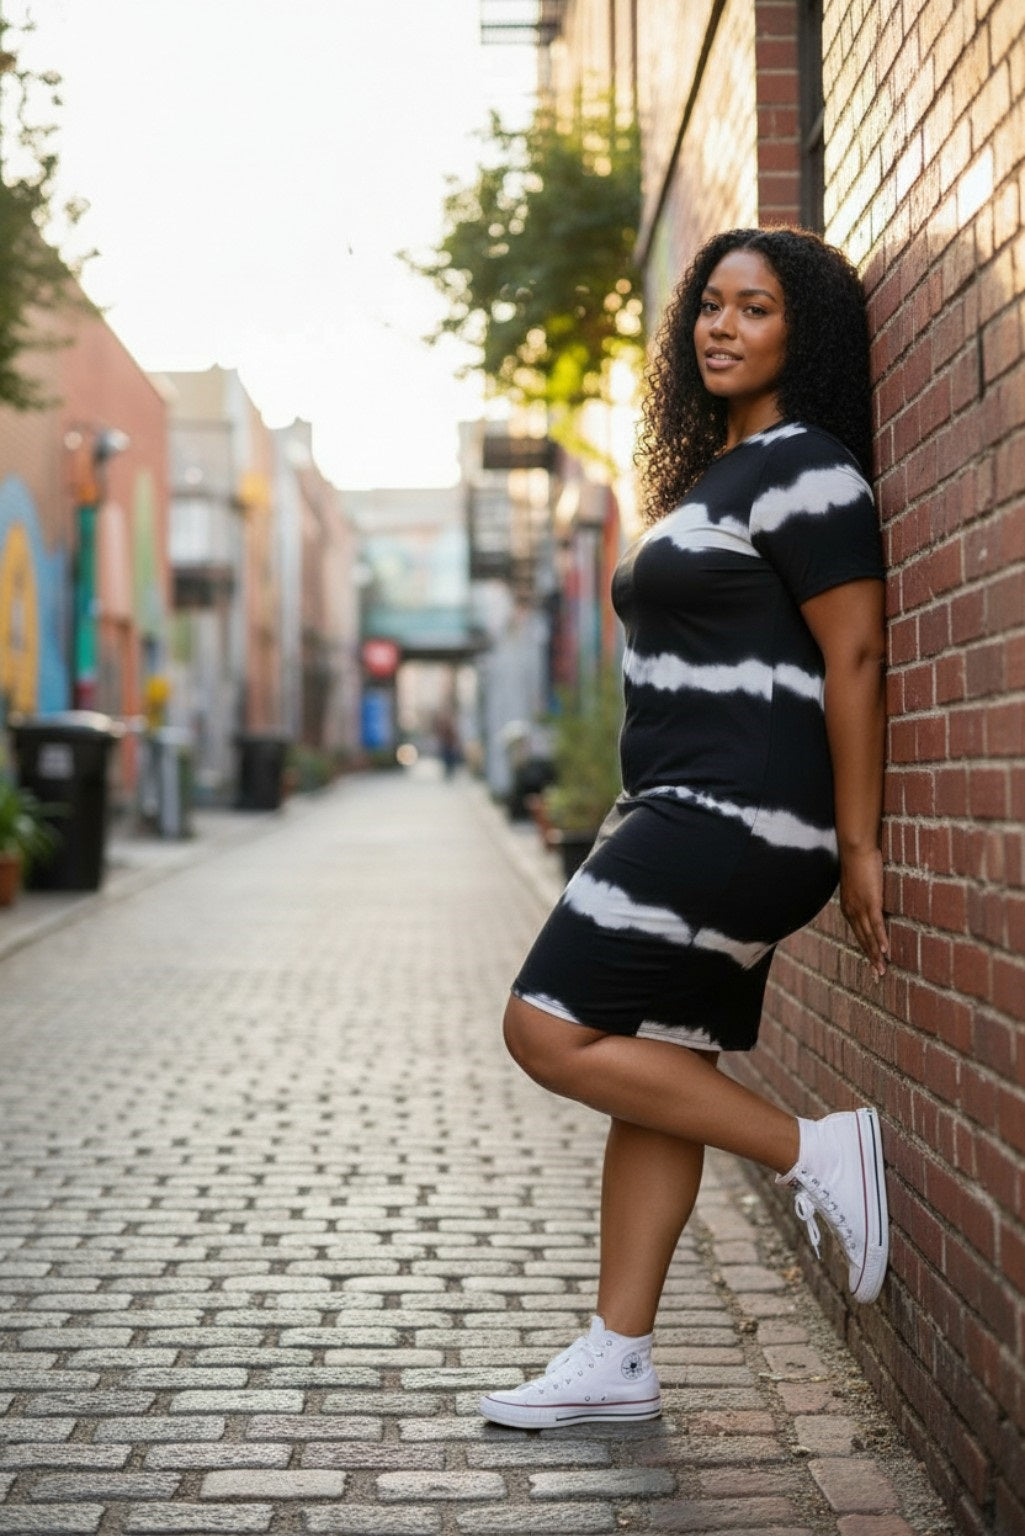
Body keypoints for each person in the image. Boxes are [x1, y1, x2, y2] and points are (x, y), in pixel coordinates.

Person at [479, 227, 890, 1431]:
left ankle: (816, 1153)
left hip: (738, 810)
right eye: (708, 306)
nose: (720, 327)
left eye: (753, 309)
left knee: (544, 1027)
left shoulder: (807, 467)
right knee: (654, 1069)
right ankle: (617, 1355)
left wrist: (855, 844)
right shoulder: (717, 477)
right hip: (681, 801)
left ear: (797, 334)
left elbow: (853, 655)